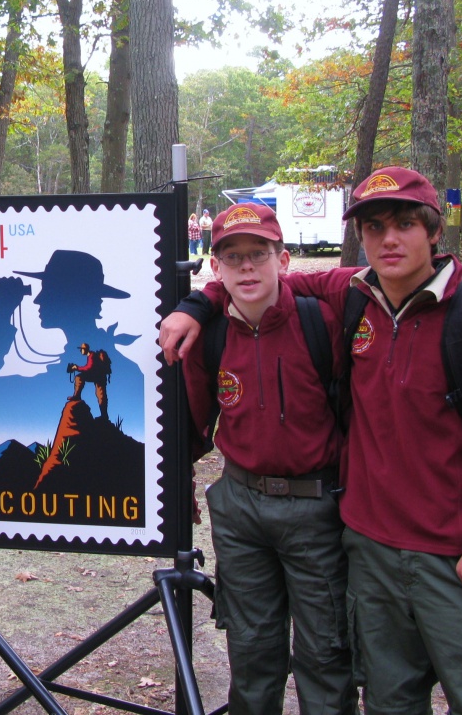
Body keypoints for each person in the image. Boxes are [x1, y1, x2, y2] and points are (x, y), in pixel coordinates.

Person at [160, 167, 462, 715]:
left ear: (433, 230)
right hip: (367, 545)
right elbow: (248, 284)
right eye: (374, 227)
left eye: (403, 224)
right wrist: (198, 303)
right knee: (387, 697)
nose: (389, 239)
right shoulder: (353, 297)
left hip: (446, 549)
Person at [182, 202, 355, 715]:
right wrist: (181, 482)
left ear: (282, 259)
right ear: (216, 267)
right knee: (251, 650)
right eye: (233, 258)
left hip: (317, 508)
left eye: (259, 254)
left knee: (326, 653)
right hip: (240, 509)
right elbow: (192, 425)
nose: (247, 267)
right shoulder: (208, 335)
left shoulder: (321, 320)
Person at [0, 250, 144, 450]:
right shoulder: (116, 365)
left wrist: (3, 313)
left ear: (71, 297)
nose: (38, 299)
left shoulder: (82, 370)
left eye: (48, 290)